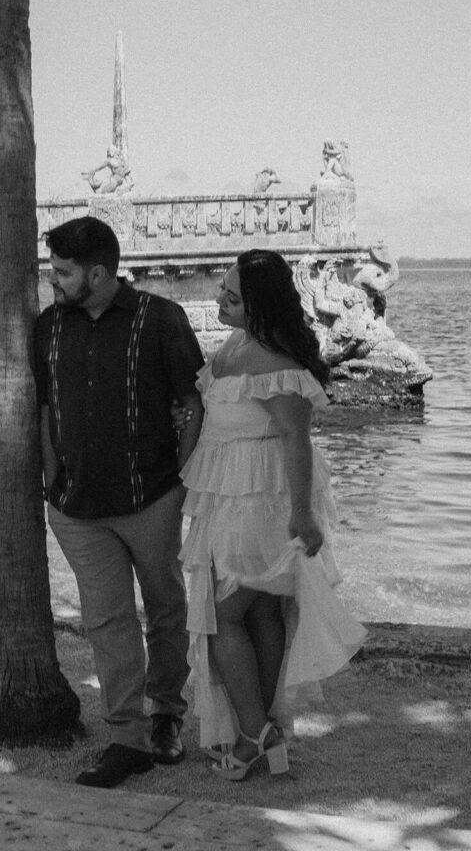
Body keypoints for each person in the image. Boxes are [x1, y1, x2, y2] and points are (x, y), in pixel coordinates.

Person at [178, 249, 367, 781]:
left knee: (223, 618)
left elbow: (296, 440)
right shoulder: (236, 344)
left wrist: (303, 516)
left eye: (232, 296)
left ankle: (255, 733)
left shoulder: (280, 362)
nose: (220, 300)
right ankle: (263, 734)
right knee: (258, 615)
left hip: (263, 498)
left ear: (259, 304)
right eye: (222, 289)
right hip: (228, 493)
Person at [33, 216, 204, 789]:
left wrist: (180, 475)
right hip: (77, 509)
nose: (53, 281)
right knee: (106, 621)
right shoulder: (48, 327)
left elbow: (192, 402)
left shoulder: (162, 320)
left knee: (164, 608)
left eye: (62, 272)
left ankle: (167, 717)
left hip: (151, 497)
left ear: (99, 273)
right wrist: (52, 478)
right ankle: (126, 739)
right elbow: (45, 408)